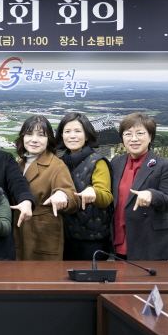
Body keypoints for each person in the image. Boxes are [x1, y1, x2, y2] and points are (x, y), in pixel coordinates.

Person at [111, 113, 168, 260]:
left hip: (150, 243)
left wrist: (152, 194)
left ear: (150, 136)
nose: (134, 139)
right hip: (119, 239)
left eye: (140, 133)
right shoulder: (116, 162)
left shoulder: (164, 165)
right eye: (128, 134)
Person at [14, 115, 78, 261]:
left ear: (49, 139)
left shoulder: (56, 165)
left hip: (43, 232)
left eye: (41, 135)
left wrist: (62, 194)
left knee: (42, 274)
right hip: (19, 228)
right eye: (29, 134)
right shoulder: (20, 163)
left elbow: (72, 196)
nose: (34, 139)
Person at [55, 112, 113, 261]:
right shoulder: (59, 162)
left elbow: (106, 197)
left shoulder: (97, 161)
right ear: (61, 135)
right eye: (67, 131)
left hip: (92, 239)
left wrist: (94, 191)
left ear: (87, 136)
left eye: (78, 131)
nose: (72, 136)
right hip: (63, 237)